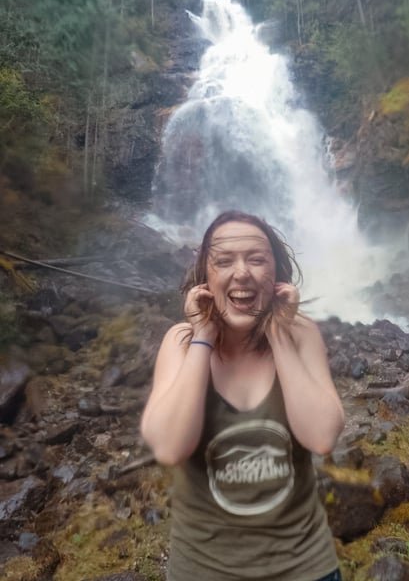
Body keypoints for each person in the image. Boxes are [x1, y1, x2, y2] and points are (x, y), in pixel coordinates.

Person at [140, 210, 345, 581]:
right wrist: (203, 335)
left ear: (276, 275)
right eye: (224, 261)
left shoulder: (301, 334)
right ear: (205, 278)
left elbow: (321, 437)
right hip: (203, 571)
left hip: (305, 568)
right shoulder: (181, 342)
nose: (242, 273)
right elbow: (170, 448)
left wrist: (279, 333)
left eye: (256, 259)